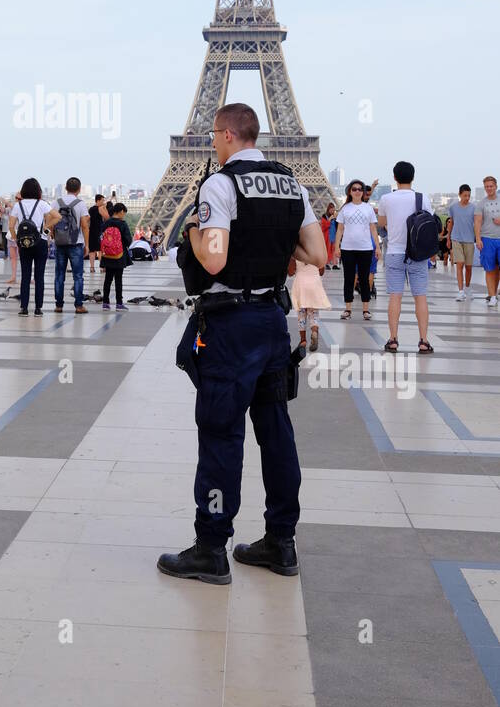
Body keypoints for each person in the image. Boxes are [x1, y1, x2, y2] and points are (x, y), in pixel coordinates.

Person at [157, 102, 326, 585]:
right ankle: (282, 541)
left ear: (228, 135)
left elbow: (213, 261)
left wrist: (192, 230)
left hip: (231, 328)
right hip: (273, 322)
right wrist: (275, 240)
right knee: (276, 433)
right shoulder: (292, 184)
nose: (211, 142)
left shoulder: (221, 183)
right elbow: (316, 252)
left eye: (214, 135)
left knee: (220, 434)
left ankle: (211, 547)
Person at [376, 161, 435, 353]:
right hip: (417, 254)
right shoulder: (422, 198)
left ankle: (393, 339)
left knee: (395, 296)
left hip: (394, 252)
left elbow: (382, 223)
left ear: (394, 177)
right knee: (420, 297)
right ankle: (424, 340)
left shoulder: (386, 199)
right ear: (413, 177)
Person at [333, 180, 379, 322]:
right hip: (347, 249)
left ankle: (366, 309)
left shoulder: (368, 208)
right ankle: (348, 309)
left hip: (365, 248)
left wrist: (377, 246)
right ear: (350, 191)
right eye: (354, 189)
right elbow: (340, 229)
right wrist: (336, 247)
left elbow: (373, 228)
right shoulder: (345, 209)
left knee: (364, 279)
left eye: (360, 189)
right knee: (348, 279)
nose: (357, 191)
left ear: (363, 192)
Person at [9, 179, 51, 316]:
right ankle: (38, 308)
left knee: (25, 276)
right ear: (38, 190)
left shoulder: (18, 205)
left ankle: (24, 308)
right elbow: (57, 216)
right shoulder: (42, 204)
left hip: (24, 243)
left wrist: (16, 239)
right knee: (39, 276)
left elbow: (11, 226)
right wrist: (45, 228)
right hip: (40, 242)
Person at [47, 178, 89, 313]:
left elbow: (50, 222)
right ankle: (78, 305)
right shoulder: (81, 204)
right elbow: (84, 225)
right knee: (78, 276)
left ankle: (59, 305)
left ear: (66, 187)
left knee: (59, 275)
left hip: (60, 243)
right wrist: (87, 245)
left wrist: (54, 235)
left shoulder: (56, 202)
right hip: (76, 243)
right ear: (79, 189)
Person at [290, 255, 329, 353]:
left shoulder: (296, 252)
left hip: (300, 284)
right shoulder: (316, 251)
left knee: (301, 315)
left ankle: (303, 341)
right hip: (314, 284)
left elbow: (290, 272)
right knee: (314, 313)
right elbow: (321, 271)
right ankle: (314, 332)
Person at [100, 203, 132, 309]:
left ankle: (105, 302)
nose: (124, 215)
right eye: (124, 213)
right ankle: (119, 303)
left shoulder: (106, 223)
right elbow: (128, 240)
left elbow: (101, 236)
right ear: (121, 211)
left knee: (107, 279)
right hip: (119, 255)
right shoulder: (123, 224)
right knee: (118, 280)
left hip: (107, 255)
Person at [474, 175, 500, 307]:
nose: (489, 188)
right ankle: (492, 296)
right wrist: (478, 239)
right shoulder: (481, 203)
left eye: (491, 186)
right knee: (489, 269)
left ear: (496, 186)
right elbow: (477, 222)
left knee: (498, 269)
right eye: (487, 187)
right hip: (487, 239)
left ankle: (495, 292)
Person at [450, 184, 476, 301]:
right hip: (456, 239)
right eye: (465, 195)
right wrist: (448, 239)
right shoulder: (453, 207)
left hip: (470, 240)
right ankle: (460, 292)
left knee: (469, 267)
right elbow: (451, 222)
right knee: (460, 264)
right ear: (460, 194)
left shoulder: (474, 208)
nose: (467, 198)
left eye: (469, 195)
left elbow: (477, 224)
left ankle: (467, 288)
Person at [88, 195, 107, 276]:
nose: (103, 202)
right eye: (102, 200)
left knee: (92, 250)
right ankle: (102, 267)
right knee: (100, 250)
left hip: (91, 231)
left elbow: (88, 220)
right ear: (98, 201)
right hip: (99, 232)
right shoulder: (100, 208)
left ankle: (92, 268)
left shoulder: (91, 209)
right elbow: (107, 217)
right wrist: (105, 208)